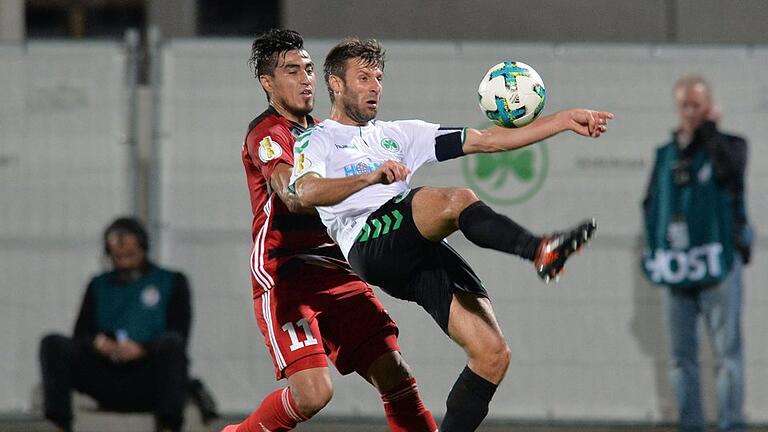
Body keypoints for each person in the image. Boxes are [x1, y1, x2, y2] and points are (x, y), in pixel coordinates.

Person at [288, 38, 614, 431]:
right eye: (364, 78)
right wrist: (369, 177)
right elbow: (304, 192)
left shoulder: (400, 133)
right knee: (455, 200)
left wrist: (563, 120)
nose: (375, 87)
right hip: (368, 241)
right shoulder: (317, 139)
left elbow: (487, 140)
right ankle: (539, 250)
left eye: (379, 78)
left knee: (492, 354)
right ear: (336, 85)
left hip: (412, 246)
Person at [221, 29, 436, 432]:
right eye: (291, 71)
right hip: (286, 275)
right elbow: (293, 195)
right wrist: (369, 178)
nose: (305, 79)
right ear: (267, 83)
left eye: (307, 69)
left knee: (396, 373)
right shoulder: (268, 134)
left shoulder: (326, 134)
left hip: (337, 271)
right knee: (314, 394)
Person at [642, 75, 752, 432]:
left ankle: (731, 424)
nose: (691, 112)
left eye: (698, 105)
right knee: (680, 359)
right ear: (678, 107)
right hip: (679, 267)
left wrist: (711, 132)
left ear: (709, 106)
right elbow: (651, 205)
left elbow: (732, 174)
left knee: (727, 357)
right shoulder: (665, 155)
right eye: (685, 105)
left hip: (719, 265)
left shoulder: (731, 145)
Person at [39, 217, 193, 432]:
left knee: (172, 345)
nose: (123, 259)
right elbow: (81, 333)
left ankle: (168, 426)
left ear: (142, 247)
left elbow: (179, 333)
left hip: (147, 374)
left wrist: (141, 349)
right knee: (53, 343)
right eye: (118, 255)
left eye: (130, 253)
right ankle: (60, 425)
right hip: (106, 373)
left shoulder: (172, 281)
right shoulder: (99, 284)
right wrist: (100, 343)